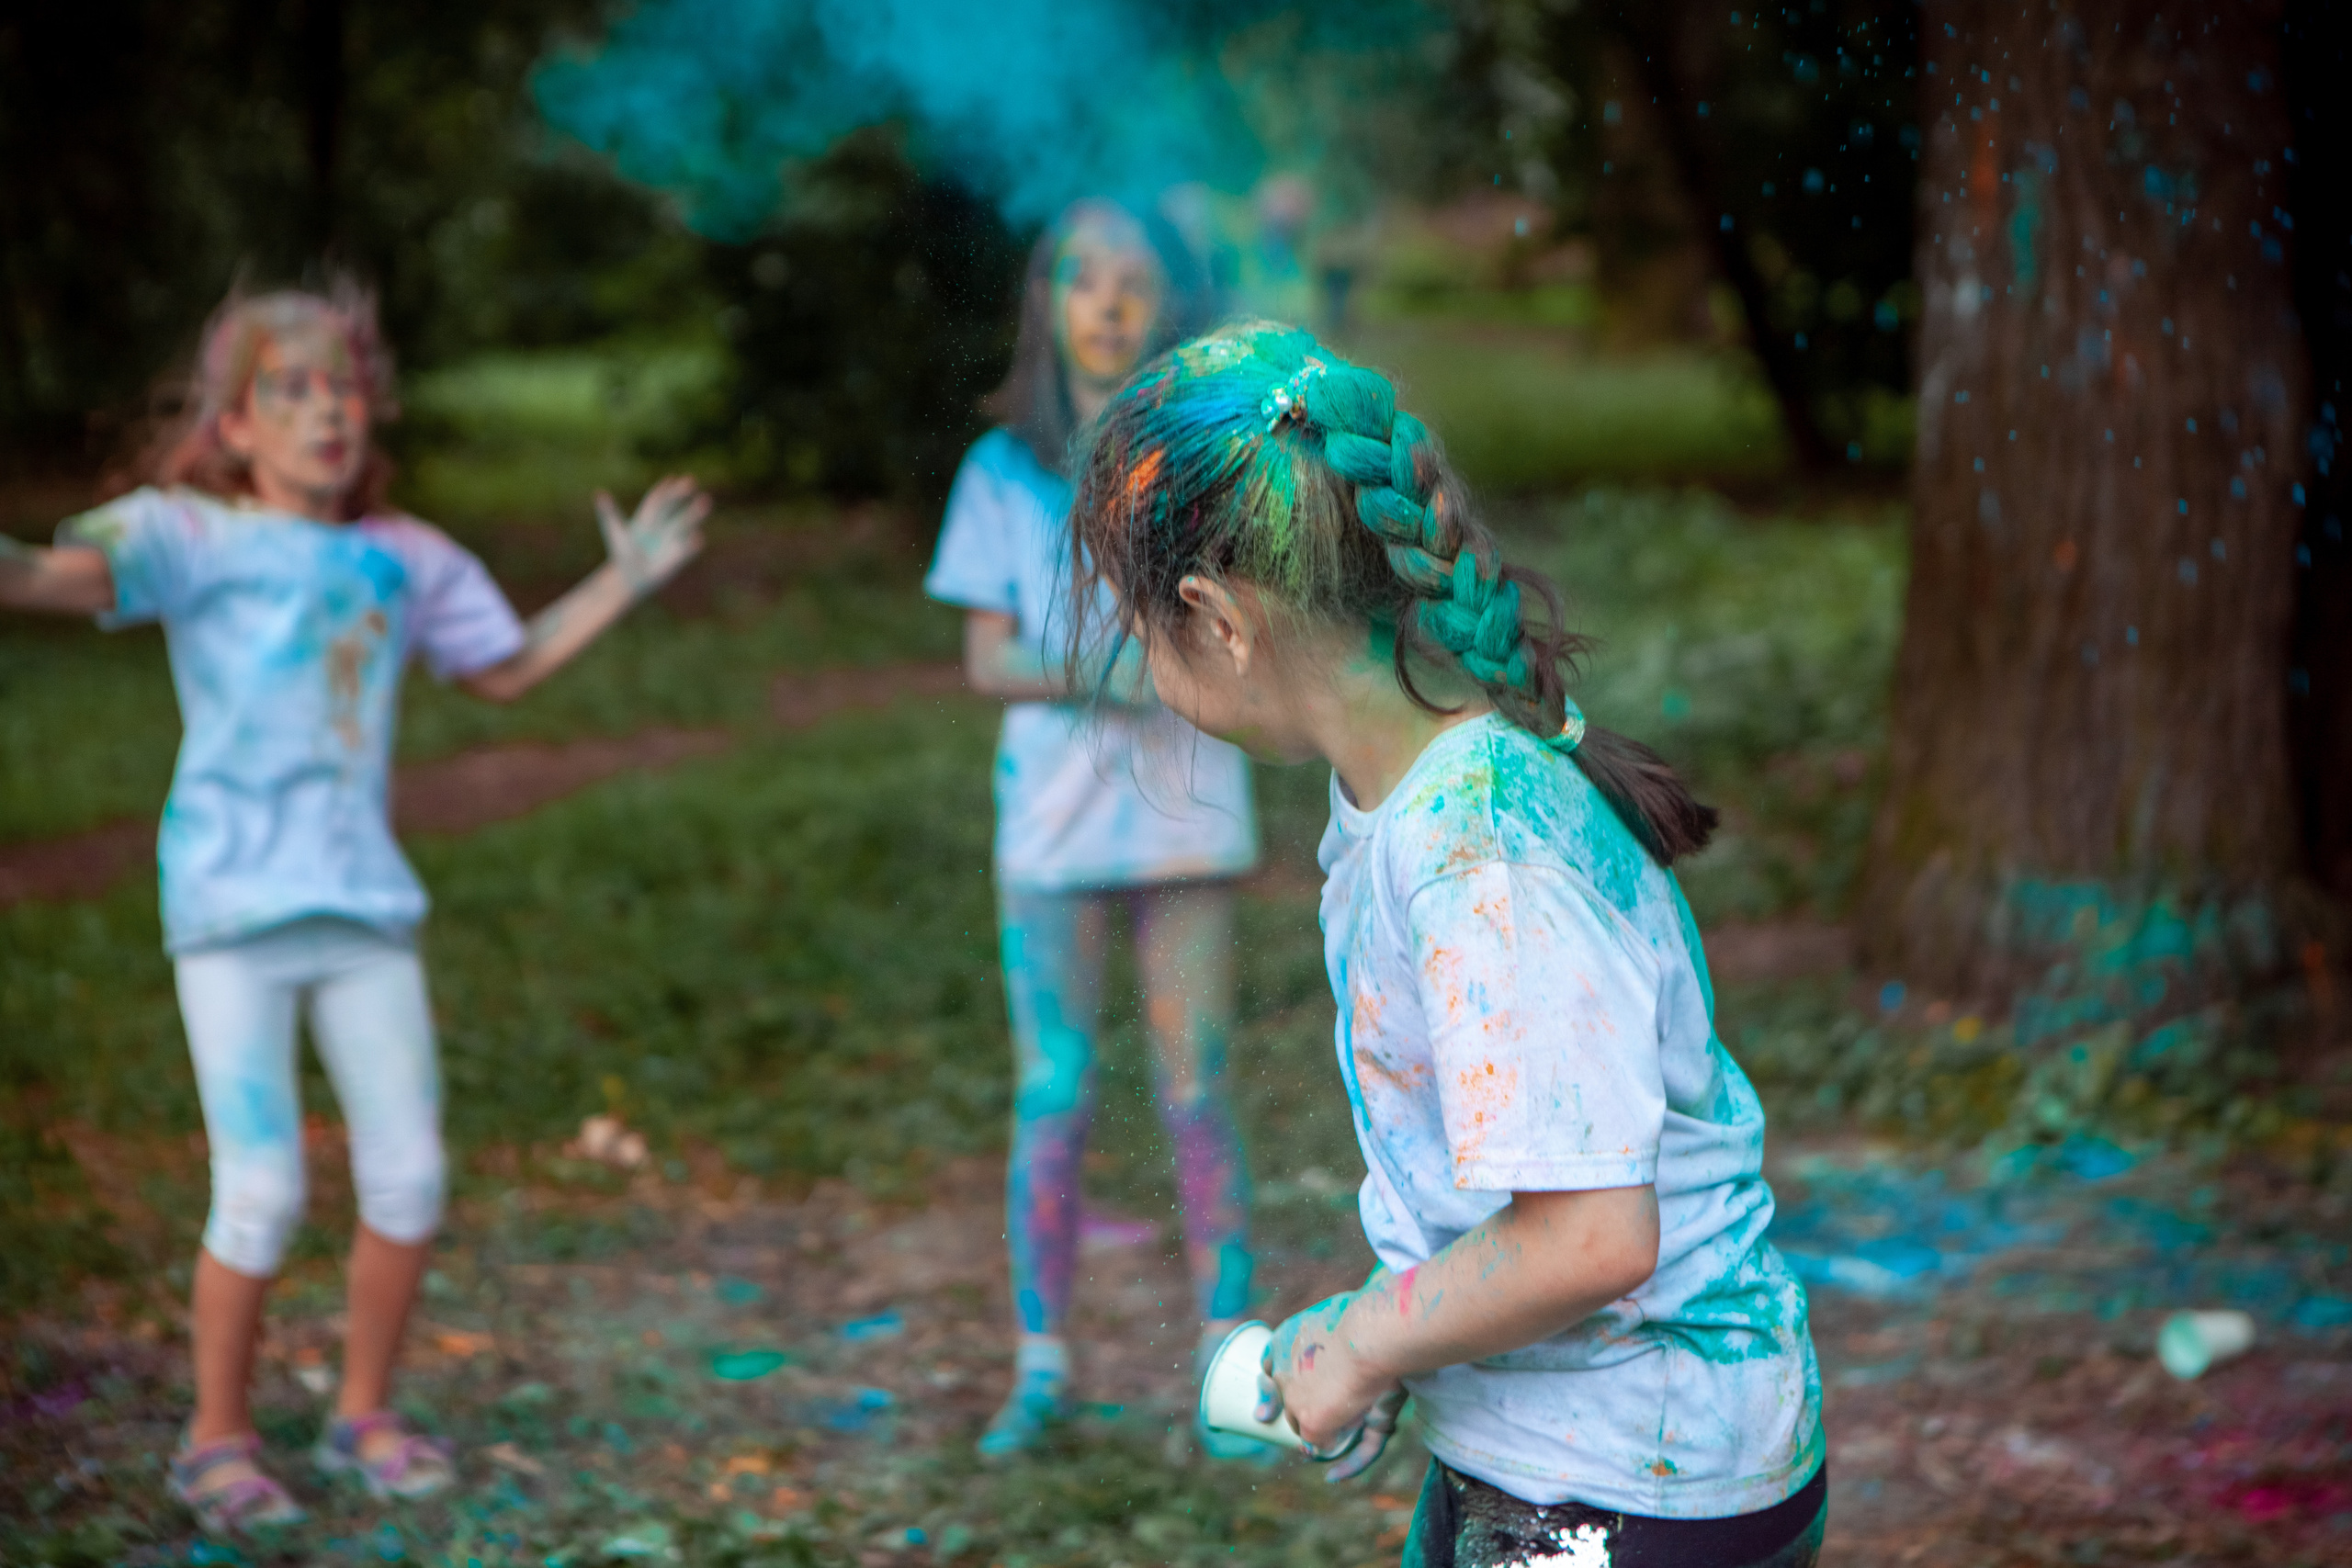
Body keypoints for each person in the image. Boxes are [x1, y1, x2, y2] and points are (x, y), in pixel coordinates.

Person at [1068, 321, 1827, 1566]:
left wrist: (1370, 1338)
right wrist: (1382, 1343)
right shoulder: (1405, 794)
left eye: (1138, 621)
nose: (1142, 658)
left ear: (1215, 615)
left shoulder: (1481, 854)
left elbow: (1592, 1239)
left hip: (1639, 1488)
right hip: (1567, 1461)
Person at [0, 283, 707, 1533]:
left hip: (362, 908)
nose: (323, 412)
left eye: (340, 388)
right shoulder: (186, 536)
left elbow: (504, 669)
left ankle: (363, 1414)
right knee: (261, 1192)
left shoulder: (408, 557)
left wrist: (625, 582)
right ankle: (213, 1439)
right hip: (228, 909)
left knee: (412, 1181)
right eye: (288, 390)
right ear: (233, 426)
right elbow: (53, 580)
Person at [924, 200, 1269, 1461]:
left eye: (1135, 282)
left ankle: (1232, 1367)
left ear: (1167, 308)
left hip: (1185, 824)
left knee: (1200, 1088)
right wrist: (1098, 672)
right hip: (1054, 837)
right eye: (1085, 278)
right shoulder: (1001, 469)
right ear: (1047, 300)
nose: (1110, 302)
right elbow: (984, 657)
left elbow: (1248, 625)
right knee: (1055, 1092)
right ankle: (1043, 1371)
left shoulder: (1207, 458)